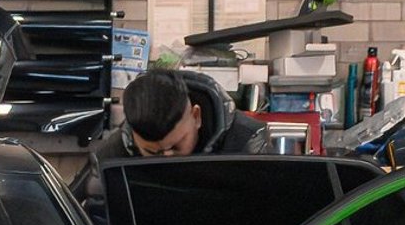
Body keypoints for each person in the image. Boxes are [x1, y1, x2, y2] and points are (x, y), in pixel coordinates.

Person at [89, 64, 271, 161]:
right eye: (152, 153)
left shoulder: (248, 144)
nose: (166, 158)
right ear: (133, 135)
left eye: (176, 146)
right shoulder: (114, 154)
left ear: (196, 116)